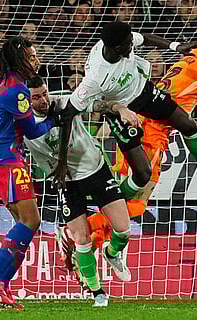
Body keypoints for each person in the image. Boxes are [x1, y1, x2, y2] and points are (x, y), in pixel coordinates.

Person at [55, 22, 197, 206]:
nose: (133, 44)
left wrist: (176, 46)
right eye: (129, 43)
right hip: (128, 114)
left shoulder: (123, 42)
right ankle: (108, 210)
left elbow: (146, 37)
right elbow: (68, 114)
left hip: (146, 94)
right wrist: (62, 163)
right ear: (118, 48)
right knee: (141, 182)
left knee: (188, 125)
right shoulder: (95, 79)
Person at [24, 75, 135, 307]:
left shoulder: (65, 103)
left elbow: (99, 104)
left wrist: (120, 108)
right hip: (66, 181)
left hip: (96, 170)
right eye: (36, 97)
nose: (44, 100)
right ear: (26, 100)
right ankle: (98, 293)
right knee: (81, 240)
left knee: (123, 229)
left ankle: (112, 253)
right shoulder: (24, 127)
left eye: (44, 93)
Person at [114, 24, 197, 216]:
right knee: (134, 204)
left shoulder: (188, 59)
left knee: (131, 201)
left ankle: (100, 240)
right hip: (151, 132)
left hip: (140, 123)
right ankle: (84, 225)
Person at [0, 36, 61, 309]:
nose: (37, 60)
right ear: (20, 59)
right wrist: (54, 118)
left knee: (21, 220)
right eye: (32, 56)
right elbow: (33, 130)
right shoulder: (18, 90)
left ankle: (1, 284)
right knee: (30, 221)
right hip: (7, 160)